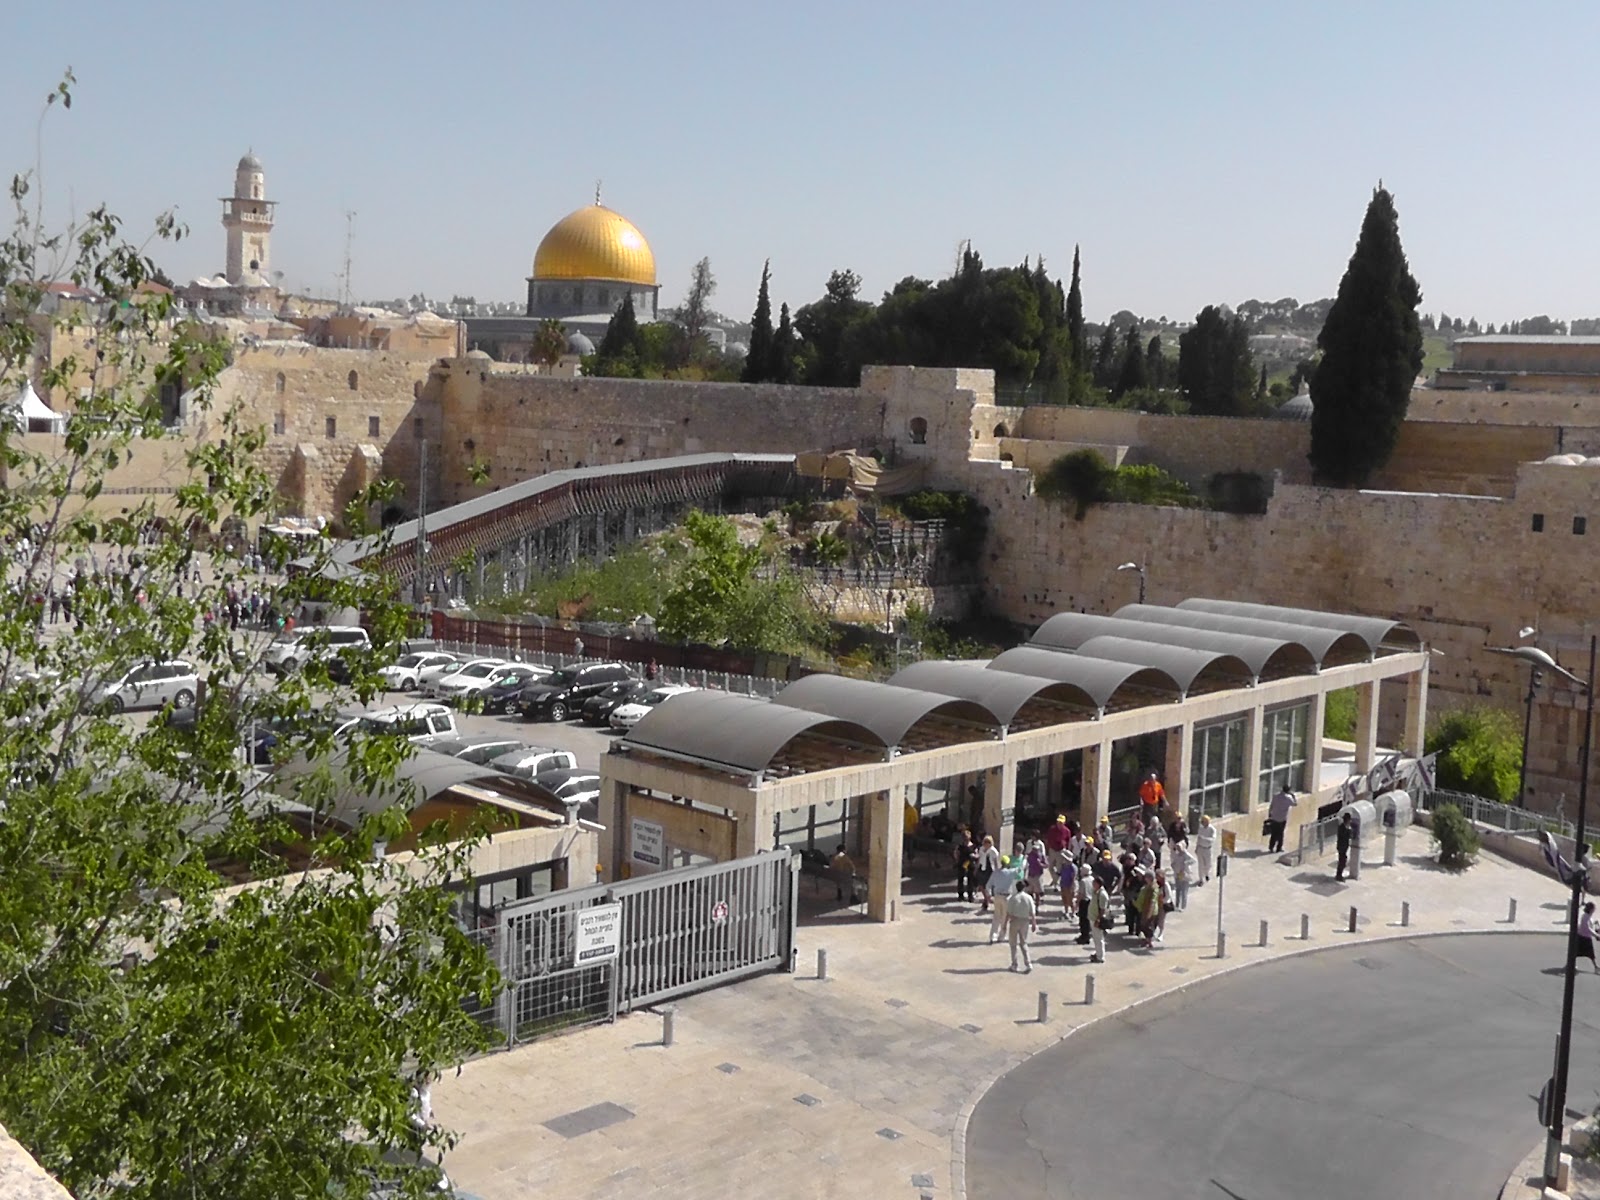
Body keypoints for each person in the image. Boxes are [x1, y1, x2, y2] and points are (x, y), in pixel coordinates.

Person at [1006, 879, 1038, 973]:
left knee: (1013, 944)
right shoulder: (1028, 898)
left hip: (1015, 920)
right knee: (1023, 943)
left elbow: (1009, 913)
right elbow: (1032, 912)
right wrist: (1034, 923)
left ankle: (1014, 964)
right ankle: (1028, 964)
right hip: (1025, 921)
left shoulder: (1013, 898)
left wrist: (1004, 924)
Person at [987, 856, 1020, 944]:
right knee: (1004, 918)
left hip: (997, 896)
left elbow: (988, 885)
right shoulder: (1010, 872)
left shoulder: (995, 873)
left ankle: (993, 936)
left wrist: (989, 895)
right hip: (1006, 898)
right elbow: (1020, 869)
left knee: (996, 916)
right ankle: (1001, 936)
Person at [1088, 875, 1112, 963]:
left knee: (1099, 938)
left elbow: (1102, 909)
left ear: (1098, 884)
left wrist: (1098, 920)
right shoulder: (1096, 892)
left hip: (1096, 919)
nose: (1093, 884)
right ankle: (1098, 953)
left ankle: (1100, 957)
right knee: (1096, 937)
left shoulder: (1102, 895)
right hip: (1092, 917)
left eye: (1094, 883)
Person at [974, 836, 1001, 912]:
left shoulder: (993, 851)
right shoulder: (981, 849)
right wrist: (976, 868)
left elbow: (996, 862)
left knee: (987, 886)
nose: (985, 844)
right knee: (981, 885)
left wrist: (997, 872)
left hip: (989, 870)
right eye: (985, 842)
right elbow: (979, 859)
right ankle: (986, 899)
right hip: (982, 867)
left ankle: (986, 902)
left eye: (987, 842)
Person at [1267, 785, 1297, 854]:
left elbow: (1271, 805)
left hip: (1274, 817)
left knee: (1274, 833)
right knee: (1280, 833)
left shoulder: (1276, 796)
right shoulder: (1288, 798)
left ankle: (1271, 847)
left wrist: (1270, 814)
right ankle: (1278, 848)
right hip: (1282, 818)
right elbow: (1295, 804)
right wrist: (1293, 796)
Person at [1045, 815, 1071, 883]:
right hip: (1053, 849)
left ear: (1064, 823)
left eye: (1061, 822)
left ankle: (1055, 881)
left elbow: (1068, 841)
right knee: (1050, 867)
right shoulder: (1052, 829)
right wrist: (1049, 847)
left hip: (1061, 850)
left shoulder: (1067, 831)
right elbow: (1048, 838)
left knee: (1059, 868)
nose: (1059, 824)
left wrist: (1066, 849)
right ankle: (1055, 879)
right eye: (1058, 822)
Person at [1172, 842, 1196, 911]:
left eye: (1179, 847)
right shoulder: (1176, 854)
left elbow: (1194, 861)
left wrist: (1186, 863)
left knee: (1184, 891)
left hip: (1185, 875)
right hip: (1177, 874)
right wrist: (1173, 865)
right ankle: (1176, 905)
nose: (1178, 849)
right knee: (1178, 891)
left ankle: (1183, 907)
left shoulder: (1186, 854)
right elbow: (1174, 862)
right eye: (1177, 847)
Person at [954, 829, 976, 902]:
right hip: (962, 863)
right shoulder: (960, 846)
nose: (966, 840)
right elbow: (956, 853)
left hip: (970, 864)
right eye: (964, 838)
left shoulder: (973, 846)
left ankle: (970, 895)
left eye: (967, 838)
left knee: (971, 880)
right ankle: (960, 895)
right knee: (960, 879)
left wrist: (974, 856)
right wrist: (957, 860)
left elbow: (977, 854)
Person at [1195, 815, 1217, 884]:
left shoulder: (1212, 829)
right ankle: (1201, 879)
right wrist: (1197, 847)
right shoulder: (1201, 828)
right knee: (1200, 864)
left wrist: (1204, 838)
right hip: (1201, 848)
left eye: (1203, 822)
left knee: (1208, 864)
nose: (1202, 823)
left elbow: (1212, 839)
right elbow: (1198, 838)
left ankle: (1206, 873)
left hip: (1208, 849)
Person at [1335, 811, 1355, 881]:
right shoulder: (1342, 827)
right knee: (1342, 861)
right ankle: (1338, 875)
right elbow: (1344, 836)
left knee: (1342, 861)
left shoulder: (1345, 827)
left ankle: (1339, 875)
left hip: (1344, 847)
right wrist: (1349, 831)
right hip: (1341, 847)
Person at [1580, 903, 1599, 974]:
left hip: (1586, 937)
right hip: (1583, 937)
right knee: (1576, 952)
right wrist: (1596, 935)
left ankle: (1596, 967)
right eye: (1594, 908)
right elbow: (1587, 928)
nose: (1595, 909)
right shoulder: (1585, 917)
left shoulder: (1588, 916)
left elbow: (1590, 924)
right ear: (1591, 909)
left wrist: (1595, 923)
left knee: (1591, 954)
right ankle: (1596, 967)